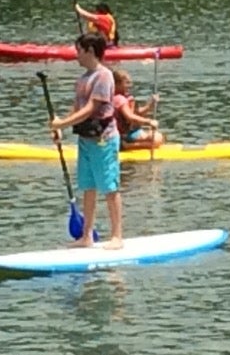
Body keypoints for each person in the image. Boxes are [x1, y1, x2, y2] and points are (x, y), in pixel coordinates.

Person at [50, 34, 123, 247]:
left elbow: (92, 108)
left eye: (79, 50)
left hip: (104, 139)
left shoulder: (104, 76)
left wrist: (62, 124)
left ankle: (117, 236)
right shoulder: (82, 79)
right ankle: (87, 236)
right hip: (85, 139)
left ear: (90, 51)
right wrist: (60, 126)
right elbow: (77, 108)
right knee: (88, 186)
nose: (76, 55)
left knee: (110, 187)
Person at [111, 69, 166, 148]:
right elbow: (130, 117)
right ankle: (127, 145)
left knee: (159, 137)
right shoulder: (119, 99)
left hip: (130, 131)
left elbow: (136, 113)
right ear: (117, 84)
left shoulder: (126, 97)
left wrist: (150, 105)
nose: (129, 86)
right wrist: (149, 122)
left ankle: (126, 143)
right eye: (126, 83)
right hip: (123, 134)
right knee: (157, 139)